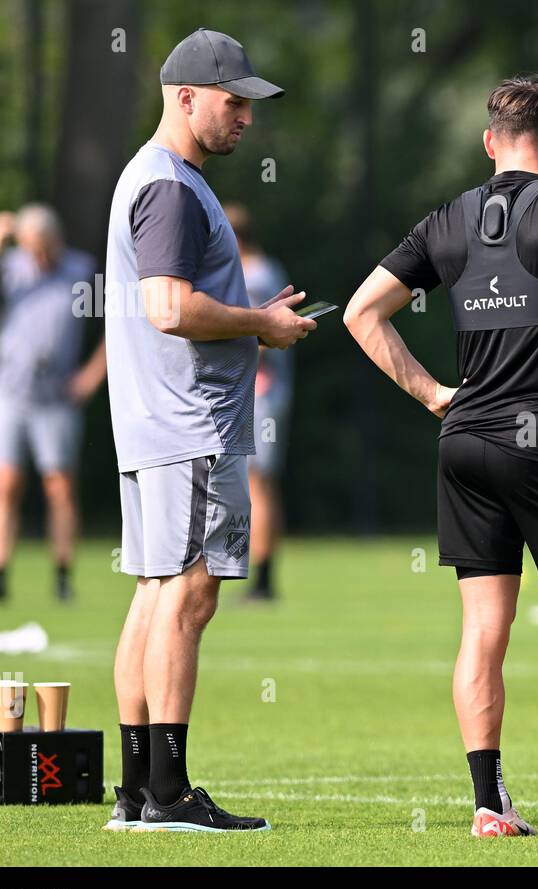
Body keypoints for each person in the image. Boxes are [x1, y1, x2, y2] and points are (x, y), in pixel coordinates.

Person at [344, 74, 538, 838]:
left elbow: (360, 312)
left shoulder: (446, 219)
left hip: (463, 439)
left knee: (485, 629)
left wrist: (431, 395)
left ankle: (490, 803)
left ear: (489, 142)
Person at [101, 28, 314, 833]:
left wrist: (257, 319)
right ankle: (168, 794)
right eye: (235, 103)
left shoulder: (154, 178)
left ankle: (135, 792)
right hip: (190, 424)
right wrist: (260, 322)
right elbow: (168, 307)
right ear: (186, 97)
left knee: (157, 595)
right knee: (188, 596)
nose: (245, 120)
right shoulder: (169, 186)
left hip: (160, 424)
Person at [0, 204, 106, 602]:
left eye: (43, 247)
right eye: (29, 248)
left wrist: (90, 377)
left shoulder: (81, 269)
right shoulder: (9, 267)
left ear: (58, 238)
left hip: (55, 396)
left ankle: (63, 578)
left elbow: (117, 325)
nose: (37, 256)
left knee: (60, 486)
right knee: (3, 484)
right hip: (9, 392)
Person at [224, 203, 292, 601]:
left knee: (256, 484)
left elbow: (260, 337)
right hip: (262, 394)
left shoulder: (254, 276)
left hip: (259, 393)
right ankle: (260, 575)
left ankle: (262, 578)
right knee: (258, 483)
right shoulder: (267, 269)